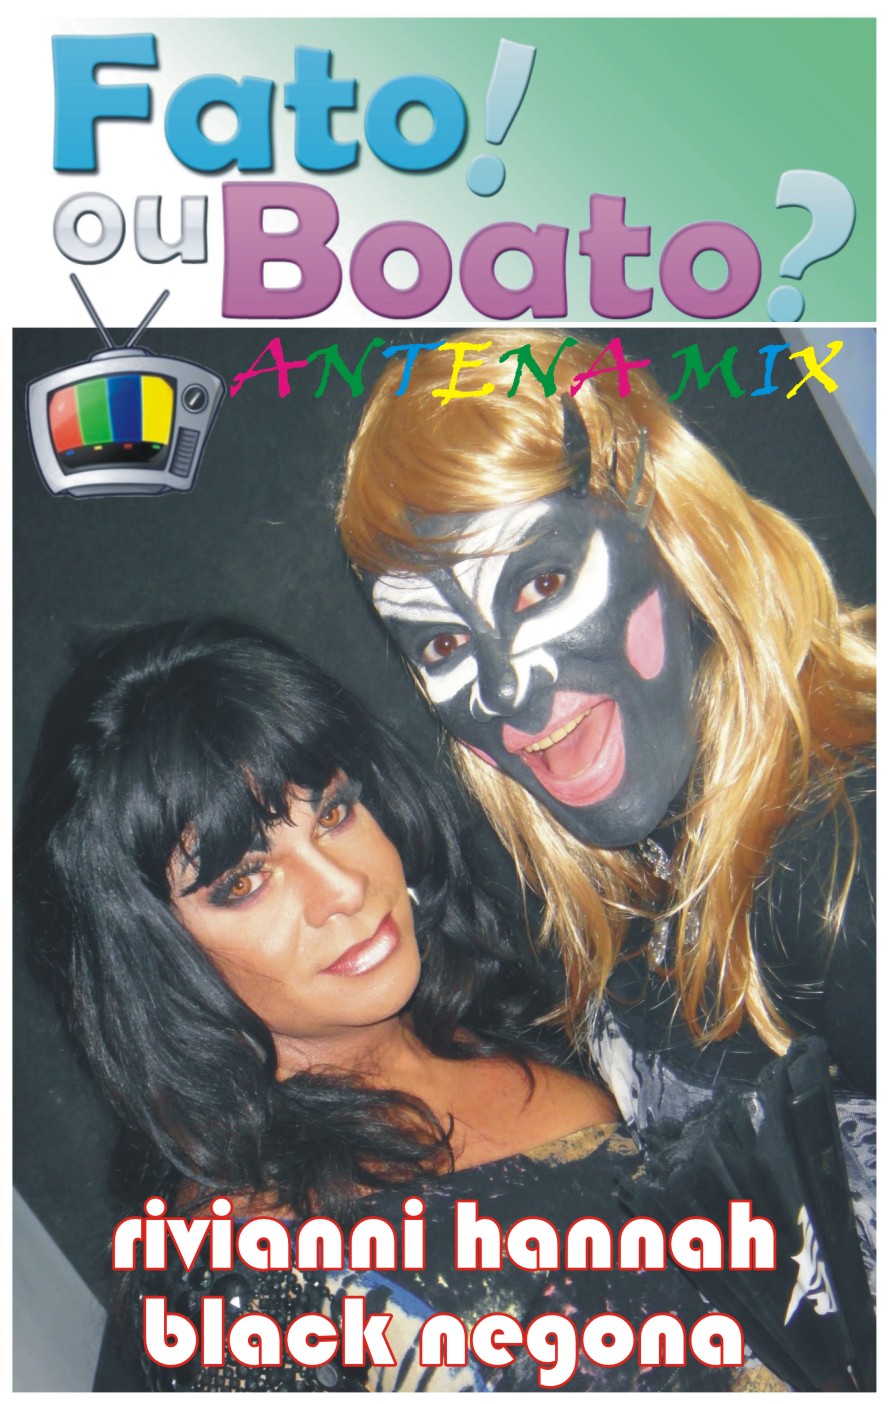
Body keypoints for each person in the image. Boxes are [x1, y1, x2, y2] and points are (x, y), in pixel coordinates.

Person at [17, 618, 784, 1392]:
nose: (344, 888)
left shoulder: (518, 1018)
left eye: (333, 812)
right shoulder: (248, 1281)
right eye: (244, 882)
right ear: (155, 961)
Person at [337, 331, 876, 1286]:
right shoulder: (636, 885)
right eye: (444, 647)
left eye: (540, 583)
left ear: (659, 517)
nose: (503, 687)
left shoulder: (846, 857)